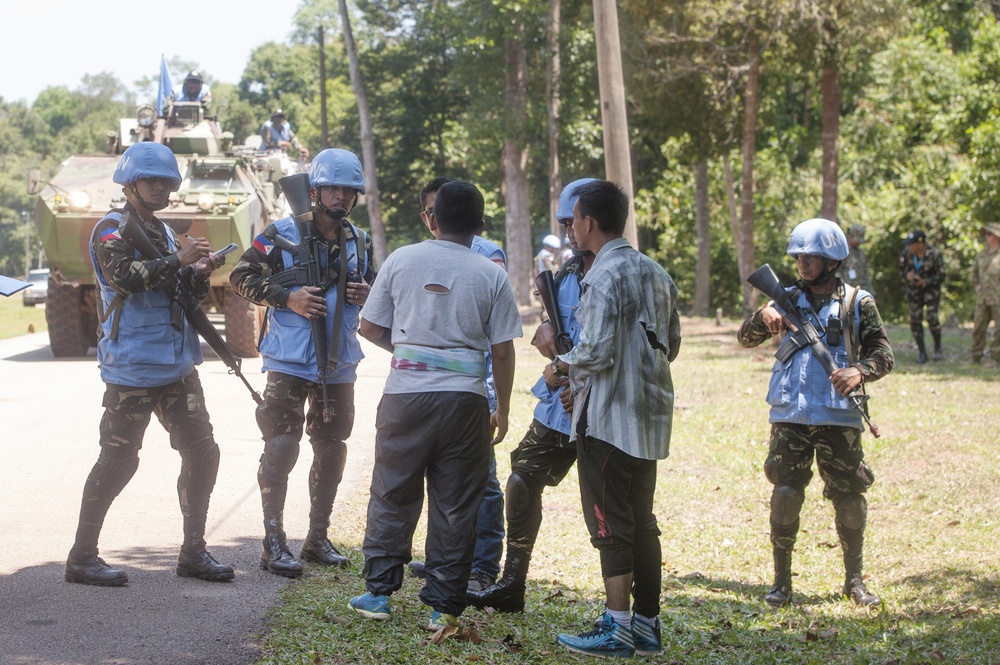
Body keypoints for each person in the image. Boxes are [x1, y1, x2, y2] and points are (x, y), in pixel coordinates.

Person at [349, 179, 522, 631]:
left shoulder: (402, 259)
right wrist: (501, 407)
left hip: (404, 396)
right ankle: (443, 607)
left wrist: (412, 353)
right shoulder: (492, 274)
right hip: (466, 402)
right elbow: (502, 352)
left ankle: (378, 594)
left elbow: (368, 327)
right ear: (480, 226)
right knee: (456, 502)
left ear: (432, 218)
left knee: (392, 490)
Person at [65, 142, 233, 586]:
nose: (160, 187)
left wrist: (197, 273)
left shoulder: (160, 232)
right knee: (119, 460)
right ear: (130, 184)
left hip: (177, 365)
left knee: (203, 452)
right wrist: (178, 259)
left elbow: (181, 292)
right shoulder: (111, 230)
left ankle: (193, 552)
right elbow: (124, 278)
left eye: (166, 181)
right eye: (150, 180)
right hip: (134, 368)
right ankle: (82, 557)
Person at [547, 180, 681, 658]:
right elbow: (674, 345)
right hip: (649, 417)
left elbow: (597, 352)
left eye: (574, 219)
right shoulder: (656, 272)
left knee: (610, 524)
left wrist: (559, 366)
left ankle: (618, 627)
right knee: (642, 520)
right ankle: (646, 625)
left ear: (588, 221)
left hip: (606, 420)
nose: (571, 229)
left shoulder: (603, 276)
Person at [229, 148, 376, 578]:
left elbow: (375, 291)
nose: (341, 197)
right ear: (314, 190)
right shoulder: (280, 233)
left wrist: (364, 293)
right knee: (281, 443)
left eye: (349, 191)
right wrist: (285, 296)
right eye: (332, 187)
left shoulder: (360, 242)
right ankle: (273, 541)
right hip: (290, 358)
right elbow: (241, 277)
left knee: (332, 446)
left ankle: (317, 537)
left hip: (338, 360)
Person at [737, 218, 894, 610]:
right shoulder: (784, 298)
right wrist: (762, 318)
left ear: (832, 260)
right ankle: (781, 582)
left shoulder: (859, 302)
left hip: (838, 416)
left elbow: (884, 354)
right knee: (786, 493)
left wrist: (860, 371)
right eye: (799, 257)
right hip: (790, 413)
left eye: (812, 257)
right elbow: (745, 338)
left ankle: (854, 581)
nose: (803, 264)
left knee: (850, 497)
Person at [467, 177, 597, 614]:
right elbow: (558, 326)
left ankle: (622, 609)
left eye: (572, 222)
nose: (568, 233)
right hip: (558, 408)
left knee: (609, 506)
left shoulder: (620, 272)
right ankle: (511, 584)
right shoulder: (566, 273)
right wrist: (546, 334)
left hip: (602, 408)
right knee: (522, 478)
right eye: (563, 224)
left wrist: (570, 368)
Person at [405, 176, 507, 594]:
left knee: (482, 480)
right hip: (425, 385)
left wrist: (496, 397)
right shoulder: (418, 256)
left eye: (438, 210)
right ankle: (443, 561)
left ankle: (483, 566)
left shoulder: (486, 256)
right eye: (429, 211)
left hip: (473, 384)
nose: (434, 219)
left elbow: (498, 338)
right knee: (441, 478)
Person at [898, 229, 946, 363]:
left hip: (931, 291)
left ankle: (937, 348)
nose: (909, 246)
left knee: (932, 318)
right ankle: (922, 352)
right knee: (915, 321)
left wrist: (926, 282)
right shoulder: (907, 254)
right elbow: (901, 270)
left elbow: (942, 275)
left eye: (911, 244)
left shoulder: (935, 254)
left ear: (920, 243)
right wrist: (907, 276)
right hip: (914, 292)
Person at [970, 223, 1000, 366]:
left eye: (989, 234)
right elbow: (974, 272)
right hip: (983, 298)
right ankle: (976, 356)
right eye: (986, 234)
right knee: (978, 327)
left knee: (999, 330)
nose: (986, 237)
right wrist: (976, 285)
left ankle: (996, 358)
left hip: (998, 298)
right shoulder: (983, 253)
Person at [841, 224, 874, 295]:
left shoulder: (861, 253)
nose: (859, 243)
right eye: (858, 239)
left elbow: (866, 273)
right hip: (847, 292)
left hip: (861, 292)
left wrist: (871, 291)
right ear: (851, 236)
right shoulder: (843, 252)